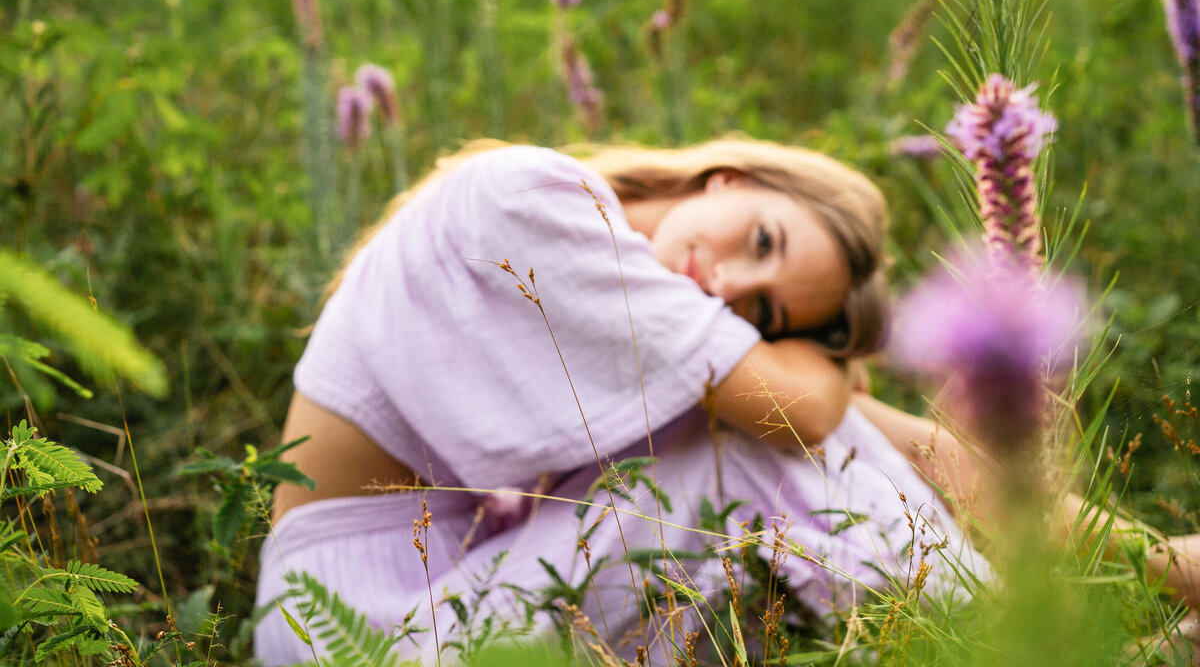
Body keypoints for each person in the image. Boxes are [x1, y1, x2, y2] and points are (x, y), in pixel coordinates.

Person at [251, 137, 1190, 665]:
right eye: (765, 241)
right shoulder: (536, 197)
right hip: (351, 628)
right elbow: (804, 418)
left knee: (773, 473)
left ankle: (1143, 593)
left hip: (449, 592)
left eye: (764, 312)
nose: (727, 284)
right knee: (746, 463)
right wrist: (814, 373)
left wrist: (1149, 555)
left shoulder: (645, 323)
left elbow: (912, 446)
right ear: (728, 177)